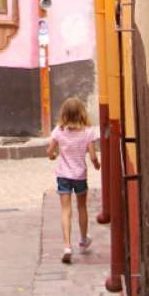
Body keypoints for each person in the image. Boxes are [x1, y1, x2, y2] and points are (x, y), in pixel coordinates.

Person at [46, 97, 100, 264]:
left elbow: (50, 152)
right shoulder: (88, 132)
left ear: (64, 114)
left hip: (63, 176)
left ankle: (67, 246)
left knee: (65, 210)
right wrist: (97, 164)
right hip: (80, 176)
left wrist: (54, 156)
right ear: (82, 113)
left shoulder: (59, 131)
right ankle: (83, 239)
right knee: (82, 207)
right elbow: (92, 156)